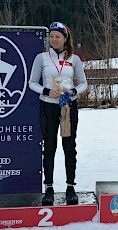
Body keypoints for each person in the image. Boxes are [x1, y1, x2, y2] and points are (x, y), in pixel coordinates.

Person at [29, 21, 87, 206]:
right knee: (50, 147)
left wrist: (73, 92)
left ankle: (70, 187)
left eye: (57, 36)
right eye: (51, 36)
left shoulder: (74, 59)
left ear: (65, 38)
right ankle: (49, 188)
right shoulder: (41, 58)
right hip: (48, 106)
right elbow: (32, 82)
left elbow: (83, 83)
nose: (54, 40)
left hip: (67, 107)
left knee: (69, 146)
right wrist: (47, 91)